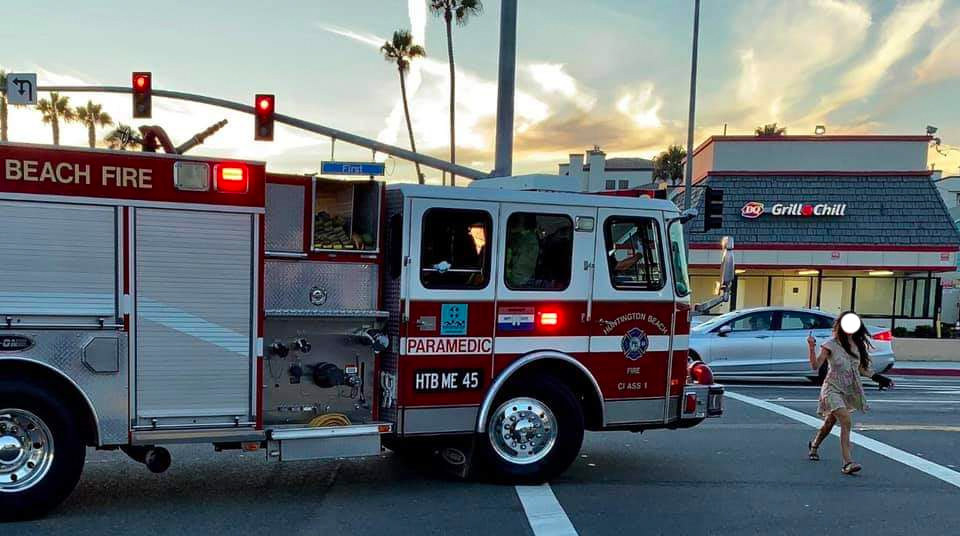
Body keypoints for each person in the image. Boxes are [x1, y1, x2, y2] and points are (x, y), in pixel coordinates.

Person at [805, 311, 877, 475]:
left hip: (847, 390)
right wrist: (811, 347)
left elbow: (861, 368)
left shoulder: (857, 346)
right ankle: (848, 463)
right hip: (831, 389)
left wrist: (879, 378)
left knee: (830, 422)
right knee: (846, 420)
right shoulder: (830, 345)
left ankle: (814, 445)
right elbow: (815, 366)